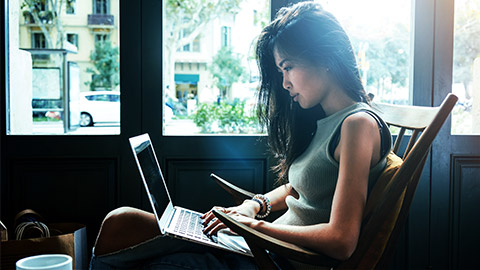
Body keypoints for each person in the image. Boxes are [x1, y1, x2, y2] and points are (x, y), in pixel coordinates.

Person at [89, 1, 392, 269]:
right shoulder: (327, 120)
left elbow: (341, 240)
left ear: (324, 57)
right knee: (120, 222)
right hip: (259, 247)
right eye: (280, 72)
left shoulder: (357, 125)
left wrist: (252, 228)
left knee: (134, 245)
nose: (285, 83)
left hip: (273, 258)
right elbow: (300, 189)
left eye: (288, 68)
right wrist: (254, 207)